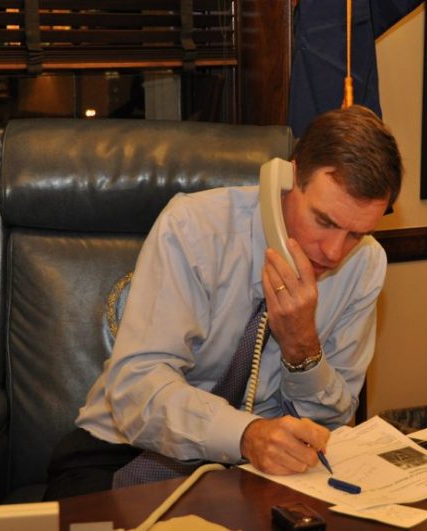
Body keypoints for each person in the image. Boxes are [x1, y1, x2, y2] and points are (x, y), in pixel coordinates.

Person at [43, 105, 403, 499]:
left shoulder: (365, 265)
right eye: (325, 221)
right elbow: (137, 388)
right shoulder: (193, 230)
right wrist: (244, 434)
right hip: (124, 451)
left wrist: (302, 347)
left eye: (356, 234)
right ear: (288, 177)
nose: (335, 252)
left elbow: (331, 422)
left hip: (260, 471)